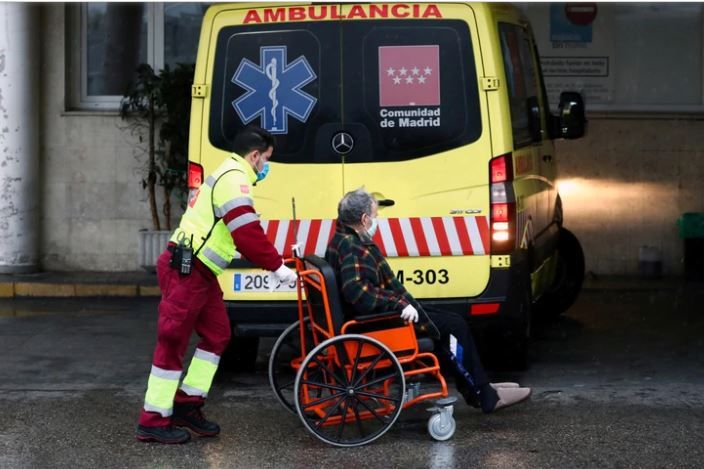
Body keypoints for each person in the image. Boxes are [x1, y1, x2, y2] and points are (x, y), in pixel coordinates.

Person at [136, 126, 298, 444]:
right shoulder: (234, 179)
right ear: (254, 156)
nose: (266, 166)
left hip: (200, 272)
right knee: (172, 343)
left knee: (218, 335)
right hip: (187, 270)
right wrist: (277, 266)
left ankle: (187, 405)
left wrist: (277, 259)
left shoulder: (229, 176)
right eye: (266, 159)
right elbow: (247, 232)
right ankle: (153, 420)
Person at [325, 188, 531, 414]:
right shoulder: (352, 246)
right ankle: (484, 395)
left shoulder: (341, 238)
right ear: (364, 219)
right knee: (454, 327)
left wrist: (400, 302)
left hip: (370, 317)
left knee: (450, 320)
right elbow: (358, 292)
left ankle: (479, 386)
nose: (377, 221)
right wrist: (399, 303)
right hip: (374, 323)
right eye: (375, 216)